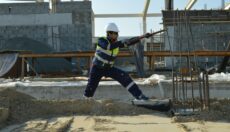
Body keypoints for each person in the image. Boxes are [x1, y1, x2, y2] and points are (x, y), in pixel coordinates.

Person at [83, 22, 151, 101]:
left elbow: (129, 41)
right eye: (115, 33)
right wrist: (121, 42)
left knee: (125, 77)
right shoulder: (101, 40)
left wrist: (142, 37)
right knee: (91, 87)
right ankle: (86, 101)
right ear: (109, 33)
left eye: (117, 33)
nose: (116, 35)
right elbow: (109, 47)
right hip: (96, 68)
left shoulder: (116, 43)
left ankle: (140, 96)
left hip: (109, 68)